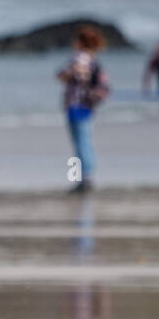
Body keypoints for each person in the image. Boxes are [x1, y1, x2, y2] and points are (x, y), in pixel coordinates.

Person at [56, 25, 109, 193]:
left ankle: (83, 179)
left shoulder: (80, 59)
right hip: (87, 105)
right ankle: (86, 177)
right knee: (85, 141)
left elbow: (65, 75)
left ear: (80, 42)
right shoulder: (93, 60)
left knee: (80, 143)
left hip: (77, 105)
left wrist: (68, 74)